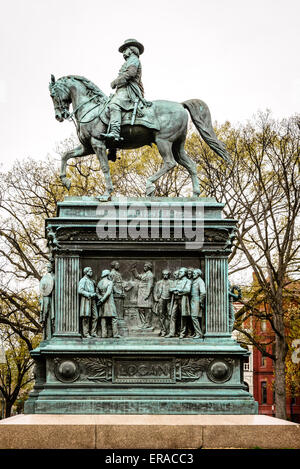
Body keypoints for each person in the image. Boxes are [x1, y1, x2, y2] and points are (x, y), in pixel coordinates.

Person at [101, 38, 149, 142]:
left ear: (131, 50)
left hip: (129, 90)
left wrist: (115, 82)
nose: (123, 53)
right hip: (123, 90)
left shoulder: (133, 59)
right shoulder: (129, 60)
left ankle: (115, 132)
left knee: (114, 105)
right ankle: (112, 146)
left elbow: (131, 73)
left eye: (125, 50)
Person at [166, 267, 192, 338]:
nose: (179, 273)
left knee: (183, 317)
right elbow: (171, 289)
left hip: (183, 300)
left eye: (181, 272)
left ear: (185, 273)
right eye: (179, 272)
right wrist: (177, 290)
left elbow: (187, 290)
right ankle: (172, 332)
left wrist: (178, 290)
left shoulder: (188, 281)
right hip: (175, 300)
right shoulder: (176, 281)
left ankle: (182, 333)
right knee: (172, 316)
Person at [97, 270, 120, 338]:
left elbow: (97, 293)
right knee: (114, 317)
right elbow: (108, 292)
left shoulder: (99, 283)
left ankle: (104, 334)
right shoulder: (110, 282)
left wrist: (100, 298)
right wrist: (102, 300)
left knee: (103, 318)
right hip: (109, 302)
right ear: (108, 275)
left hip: (102, 302)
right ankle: (115, 334)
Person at [131, 262, 154, 329]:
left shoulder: (150, 275)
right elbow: (137, 276)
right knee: (140, 308)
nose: (144, 268)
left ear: (148, 267)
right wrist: (134, 269)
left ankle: (147, 323)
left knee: (147, 309)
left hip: (146, 294)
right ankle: (143, 322)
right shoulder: (145, 274)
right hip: (141, 293)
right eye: (144, 266)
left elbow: (150, 285)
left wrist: (147, 295)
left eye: (145, 266)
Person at [185, 268, 206, 339]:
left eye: (194, 273)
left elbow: (203, 292)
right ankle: (195, 332)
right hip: (193, 300)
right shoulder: (194, 280)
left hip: (196, 300)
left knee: (194, 317)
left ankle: (199, 333)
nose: (192, 274)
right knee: (192, 316)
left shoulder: (200, 281)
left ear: (198, 274)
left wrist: (200, 301)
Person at [78, 267, 98, 338]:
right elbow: (80, 290)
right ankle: (86, 333)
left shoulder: (91, 281)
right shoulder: (83, 280)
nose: (91, 272)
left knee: (95, 316)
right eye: (90, 271)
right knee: (86, 317)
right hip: (86, 300)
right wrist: (89, 294)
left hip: (93, 300)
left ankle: (93, 332)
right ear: (86, 272)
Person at [153, 269, 173, 337]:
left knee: (169, 316)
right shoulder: (159, 283)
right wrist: (156, 299)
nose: (165, 276)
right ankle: (163, 330)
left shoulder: (171, 282)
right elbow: (155, 291)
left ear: (168, 275)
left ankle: (170, 331)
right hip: (161, 299)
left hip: (169, 300)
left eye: (166, 274)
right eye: (164, 274)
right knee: (161, 316)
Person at [39, 263, 55, 340]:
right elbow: (42, 290)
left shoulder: (55, 277)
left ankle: (51, 335)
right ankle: (47, 336)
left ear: (52, 268)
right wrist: (41, 299)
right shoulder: (45, 278)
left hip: (53, 300)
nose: (48, 268)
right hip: (46, 298)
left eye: (49, 267)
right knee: (46, 317)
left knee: (52, 318)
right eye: (47, 267)